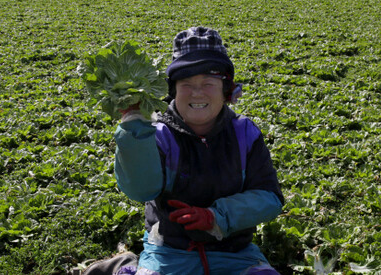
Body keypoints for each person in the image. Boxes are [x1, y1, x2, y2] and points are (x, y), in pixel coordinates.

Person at [110, 27, 284, 275]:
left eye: (208, 83)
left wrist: (216, 217)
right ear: (173, 92)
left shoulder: (245, 134)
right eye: (186, 83)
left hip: (235, 251)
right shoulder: (156, 135)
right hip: (168, 251)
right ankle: (124, 266)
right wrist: (134, 127)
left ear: (227, 90)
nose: (197, 92)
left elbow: (270, 198)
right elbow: (141, 189)